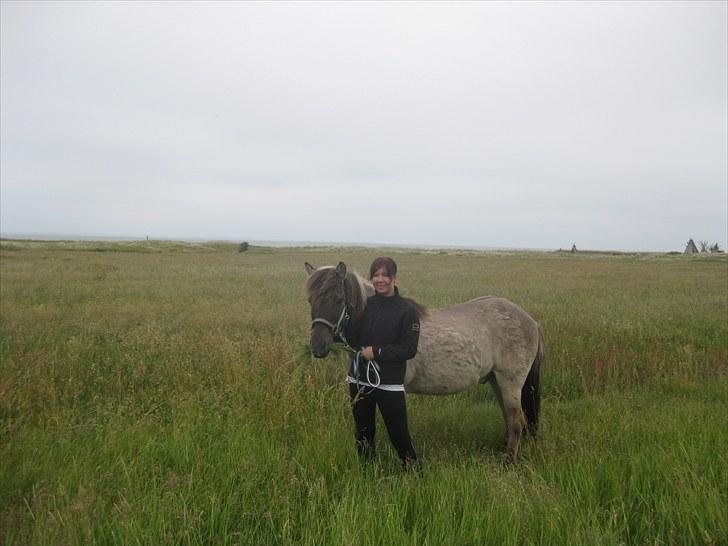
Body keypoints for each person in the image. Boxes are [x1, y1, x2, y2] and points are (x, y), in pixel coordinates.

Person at [344, 257, 423, 468]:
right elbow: (355, 338)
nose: (380, 280)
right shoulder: (366, 306)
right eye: (376, 275)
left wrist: (377, 352)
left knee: (399, 434)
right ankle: (366, 472)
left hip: (388, 383)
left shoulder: (407, 311)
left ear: (394, 278)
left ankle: (413, 472)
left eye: (385, 275)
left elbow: (409, 349)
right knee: (362, 432)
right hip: (359, 379)